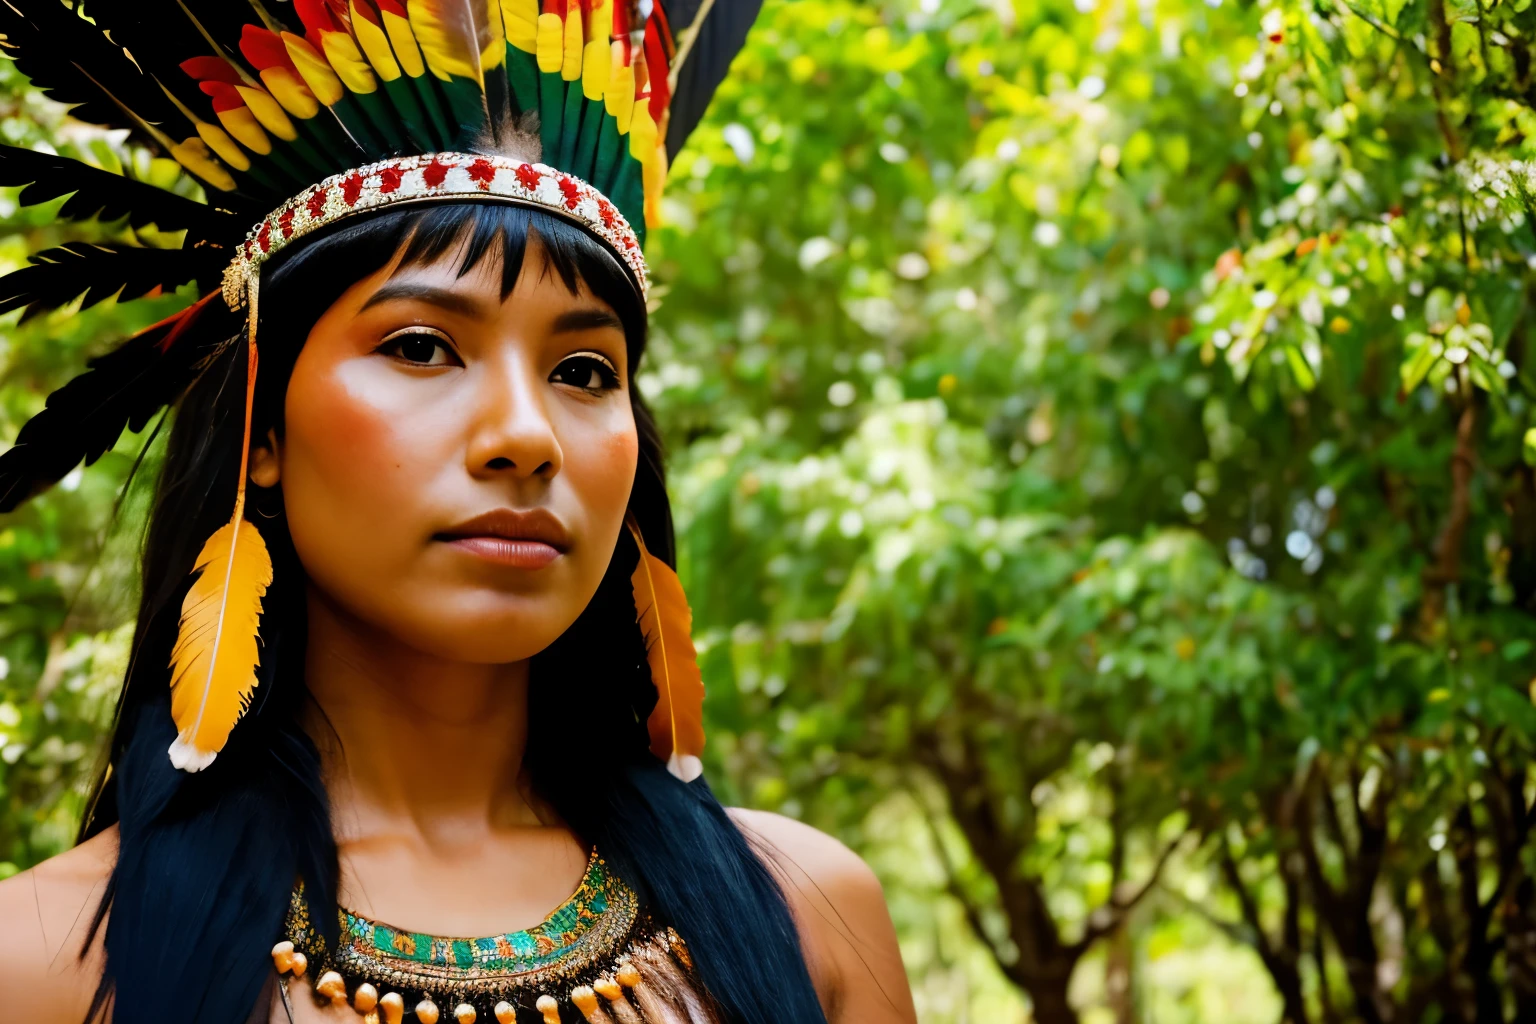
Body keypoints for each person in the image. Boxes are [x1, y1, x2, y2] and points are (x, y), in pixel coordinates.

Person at [0, 2, 918, 1022]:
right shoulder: (39, 966)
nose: (526, 436)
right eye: (422, 347)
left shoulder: (814, 913)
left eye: (582, 368)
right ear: (263, 428)